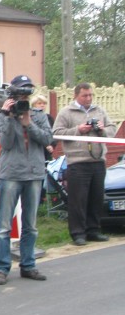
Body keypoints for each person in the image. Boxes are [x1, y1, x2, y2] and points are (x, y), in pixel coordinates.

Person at [0, 75, 52, 285]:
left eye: (27, 94)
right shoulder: (1, 117)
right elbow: (5, 144)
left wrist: (29, 124)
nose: (23, 98)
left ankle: (28, 265)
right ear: (13, 96)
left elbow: (47, 139)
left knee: (31, 225)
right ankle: (1, 268)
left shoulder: (39, 115)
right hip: (12, 175)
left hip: (34, 174)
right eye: (20, 94)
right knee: (4, 226)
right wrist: (8, 117)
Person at [52, 82, 117, 246]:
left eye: (90, 95)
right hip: (77, 162)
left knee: (96, 197)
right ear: (76, 96)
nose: (88, 98)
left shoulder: (99, 110)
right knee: (78, 200)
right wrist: (77, 130)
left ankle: (93, 230)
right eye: (84, 96)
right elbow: (56, 133)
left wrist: (102, 129)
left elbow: (112, 129)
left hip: (98, 161)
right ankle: (78, 233)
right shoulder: (66, 112)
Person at [31, 94, 56, 161]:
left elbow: (53, 133)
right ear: (33, 105)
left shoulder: (49, 118)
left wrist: (52, 145)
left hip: (47, 152)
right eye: (39, 103)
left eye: (44, 103)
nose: (42, 105)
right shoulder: (30, 117)